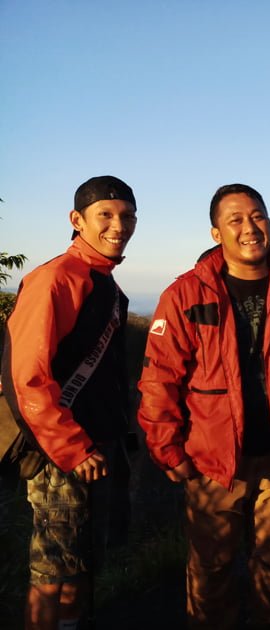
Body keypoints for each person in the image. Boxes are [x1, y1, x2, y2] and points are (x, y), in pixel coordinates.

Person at [137, 183, 270, 629]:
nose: (250, 228)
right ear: (216, 232)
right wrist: (167, 449)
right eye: (235, 220)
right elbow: (160, 377)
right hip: (213, 460)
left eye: (257, 216)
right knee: (212, 566)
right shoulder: (186, 294)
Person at [1, 176, 137, 629]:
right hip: (63, 454)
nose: (119, 225)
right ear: (77, 220)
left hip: (95, 447)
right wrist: (72, 449)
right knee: (52, 572)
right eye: (106, 215)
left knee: (81, 565)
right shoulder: (56, 279)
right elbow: (27, 376)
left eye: (127, 216)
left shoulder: (102, 282)